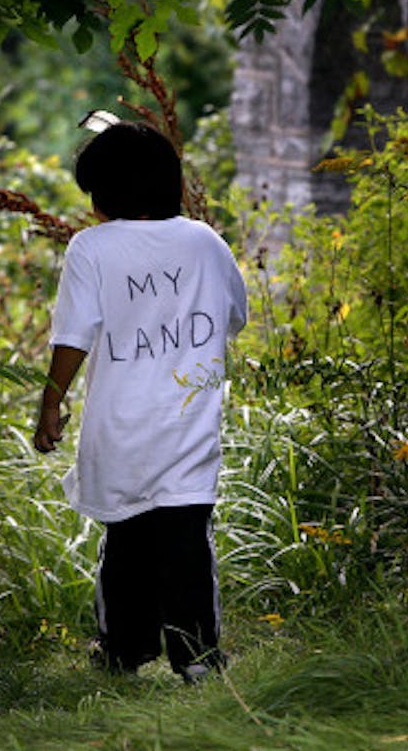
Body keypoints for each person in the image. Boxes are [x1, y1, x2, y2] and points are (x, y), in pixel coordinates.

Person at [34, 121, 248, 684]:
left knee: (126, 543)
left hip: (119, 429)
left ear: (102, 193)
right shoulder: (205, 241)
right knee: (186, 546)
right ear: (169, 182)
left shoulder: (91, 248)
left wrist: (50, 405)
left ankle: (124, 653)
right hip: (189, 424)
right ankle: (199, 659)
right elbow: (235, 317)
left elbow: (73, 337)